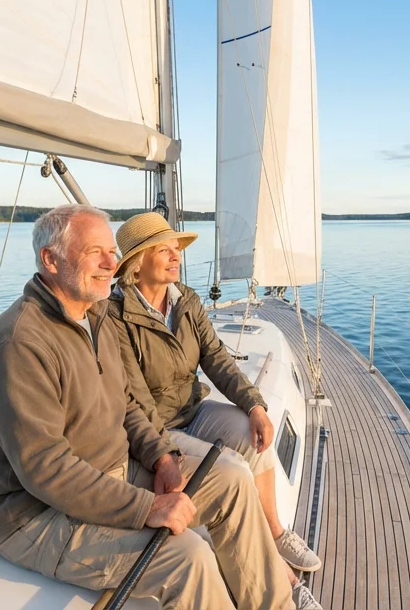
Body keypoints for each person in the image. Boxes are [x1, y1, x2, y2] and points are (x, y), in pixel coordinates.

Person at [0, 204, 293, 610]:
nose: (111, 262)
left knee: (232, 478)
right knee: (188, 557)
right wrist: (148, 507)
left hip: (114, 473)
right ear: (50, 260)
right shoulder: (19, 344)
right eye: (94, 252)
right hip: (36, 517)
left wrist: (160, 456)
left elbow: (124, 401)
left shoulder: (96, 315)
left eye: (112, 251)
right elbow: (46, 469)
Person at [106, 212, 323, 608]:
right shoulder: (116, 318)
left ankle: (274, 532)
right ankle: (279, 575)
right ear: (138, 263)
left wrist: (254, 405)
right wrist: (162, 457)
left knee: (248, 432)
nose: (176, 257)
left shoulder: (184, 300)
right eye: (165, 250)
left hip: (193, 409)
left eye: (177, 249)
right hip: (157, 428)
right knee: (233, 473)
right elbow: (132, 400)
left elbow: (217, 359)